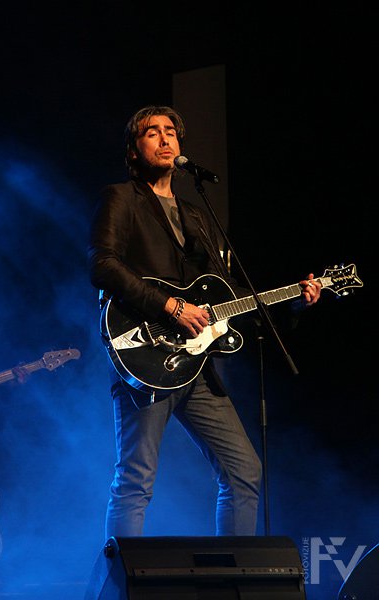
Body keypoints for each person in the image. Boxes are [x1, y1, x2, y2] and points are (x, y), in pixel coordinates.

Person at [88, 105, 321, 539]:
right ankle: (119, 574)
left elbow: (228, 295)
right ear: (133, 150)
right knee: (136, 480)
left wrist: (294, 303)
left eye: (171, 131)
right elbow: (103, 265)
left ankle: (233, 572)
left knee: (244, 471)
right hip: (144, 355)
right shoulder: (121, 198)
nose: (165, 139)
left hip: (195, 366)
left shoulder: (197, 215)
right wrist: (170, 307)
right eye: (152, 132)